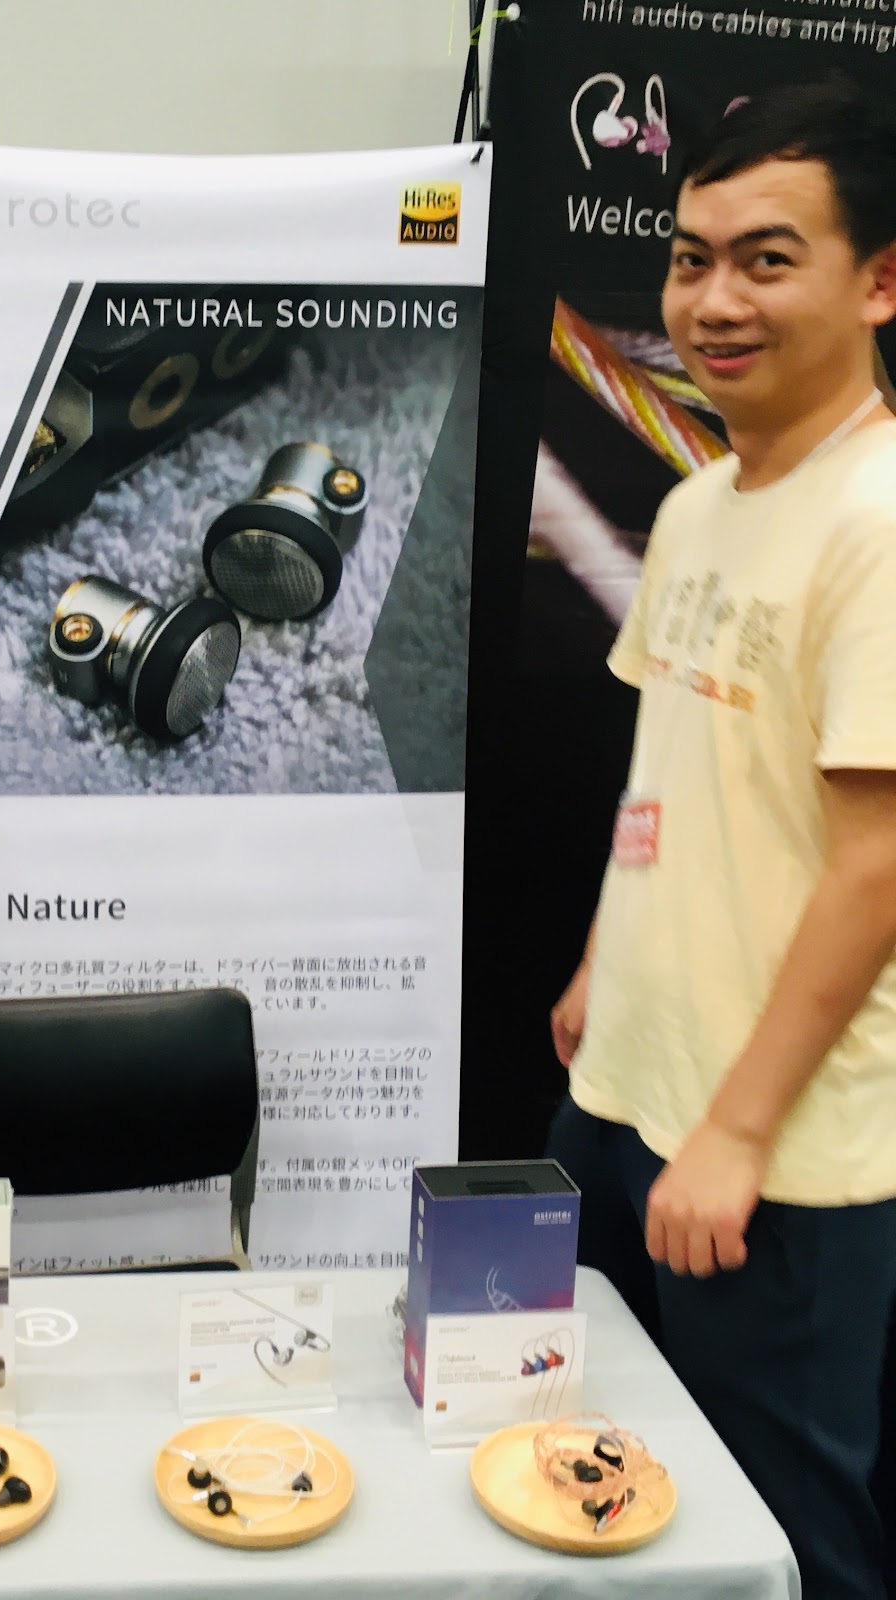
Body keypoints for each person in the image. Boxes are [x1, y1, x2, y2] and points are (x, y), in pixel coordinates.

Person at [547, 81, 896, 1600]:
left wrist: (740, 1134)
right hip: (628, 1090)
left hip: (777, 1150)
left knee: (785, 1538)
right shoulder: (699, 506)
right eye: (691, 260)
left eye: (767, 258)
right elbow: (667, 773)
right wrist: (599, 964)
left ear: (878, 280)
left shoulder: (877, 519)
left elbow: (880, 864)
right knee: (606, 1482)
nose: (713, 301)